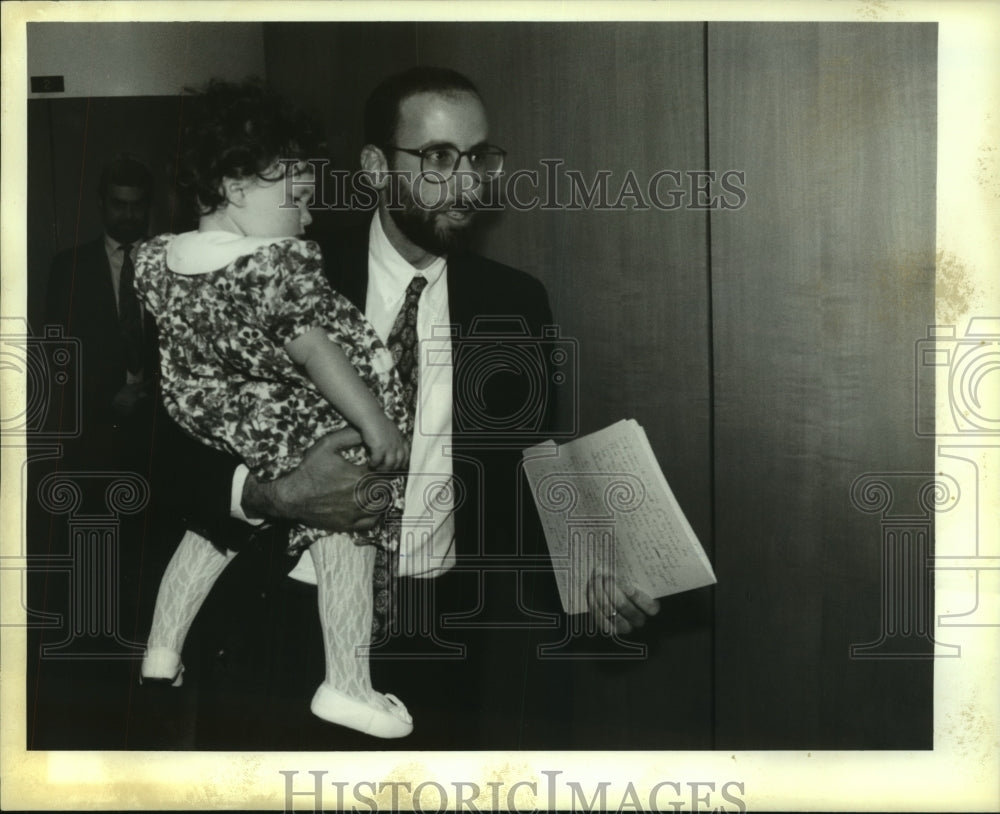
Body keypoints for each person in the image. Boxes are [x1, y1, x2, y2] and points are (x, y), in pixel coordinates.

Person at [148, 67, 659, 750]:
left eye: (478, 157)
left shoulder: (514, 304)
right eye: (439, 158)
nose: (468, 181)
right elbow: (161, 447)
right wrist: (276, 495)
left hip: (436, 635)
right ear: (374, 168)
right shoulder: (282, 266)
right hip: (277, 629)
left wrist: (591, 570)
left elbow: (530, 471)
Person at [134, 81, 415, 738]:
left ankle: (161, 647)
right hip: (288, 433)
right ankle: (348, 681)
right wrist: (374, 424)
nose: (307, 217)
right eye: (295, 197)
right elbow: (315, 353)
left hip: (219, 413)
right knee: (354, 513)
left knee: (211, 537)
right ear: (235, 187)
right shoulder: (274, 265)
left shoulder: (157, 261)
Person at [45, 155, 158, 470]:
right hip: (96, 426)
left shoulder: (171, 261)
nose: (128, 214)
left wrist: (153, 391)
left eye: (136, 205)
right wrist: (109, 394)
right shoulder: (69, 268)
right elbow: (59, 349)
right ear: (101, 203)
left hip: (163, 425)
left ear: (147, 205)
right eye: (118, 204)